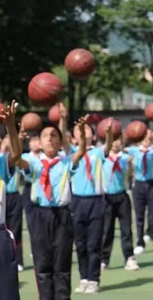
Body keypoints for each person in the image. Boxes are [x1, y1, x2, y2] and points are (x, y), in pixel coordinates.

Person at [6, 101, 89, 300]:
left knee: (62, 264)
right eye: (45, 136)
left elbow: (80, 152)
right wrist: (15, 134)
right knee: (43, 265)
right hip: (39, 215)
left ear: (60, 142)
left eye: (54, 136)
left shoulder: (65, 161)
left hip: (62, 215)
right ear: (39, 143)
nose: (50, 139)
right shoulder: (33, 161)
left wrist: (82, 137)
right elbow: (17, 159)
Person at [59, 104, 113, 295]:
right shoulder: (72, 152)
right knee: (80, 243)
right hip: (78, 202)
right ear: (74, 137)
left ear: (93, 134)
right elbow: (63, 137)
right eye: (78, 130)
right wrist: (64, 119)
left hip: (96, 201)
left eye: (87, 129)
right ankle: (83, 277)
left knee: (93, 243)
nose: (83, 131)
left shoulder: (98, 152)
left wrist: (109, 134)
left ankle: (94, 279)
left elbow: (108, 147)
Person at [101, 136, 140, 271]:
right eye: (113, 140)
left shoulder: (125, 157)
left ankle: (129, 257)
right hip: (106, 197)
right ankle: (104, 259)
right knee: (107, 230)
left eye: (118, 141)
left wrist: (129, 164)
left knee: (126, 229)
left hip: (122, 195)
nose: (116, 143)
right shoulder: (103, 157)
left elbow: (129, 174)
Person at [130, 130, 153, 255]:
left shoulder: (152, 151)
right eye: (144, 138)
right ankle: (140, 243)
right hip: (138, 185)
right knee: (139, 216)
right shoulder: (134, 151)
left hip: (152, 184)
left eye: (148, 139)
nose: (146, 140)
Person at [0, 106, 21, 300]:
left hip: (0, 237)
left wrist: (10, 126)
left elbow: (15, 154)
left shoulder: (0, 163)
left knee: (7, 293)